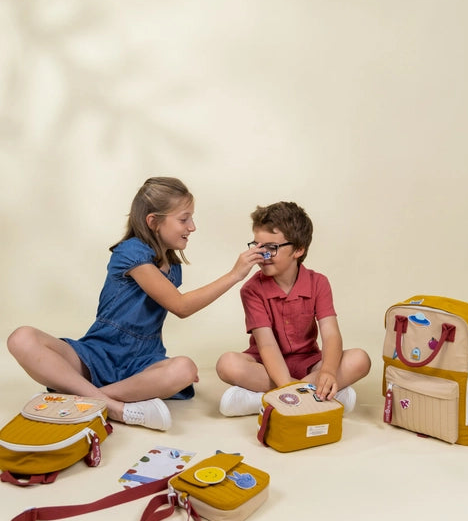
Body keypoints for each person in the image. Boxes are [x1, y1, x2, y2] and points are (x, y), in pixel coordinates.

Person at [8, 177, 264, 430]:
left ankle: (87, 400)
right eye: (184, 219)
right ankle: (114, 407)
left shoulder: (173, 267)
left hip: (141, 362)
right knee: (21, 338)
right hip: (98, 353)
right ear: (153, 222)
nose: (192, 227)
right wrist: (235, 275)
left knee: (185, 369)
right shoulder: (131, 252)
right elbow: (181, 306)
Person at [216, 201, 371, 416]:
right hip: (265, 364)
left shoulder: (319, 282)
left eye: (271, 248)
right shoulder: (251, 290)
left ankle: (267, 399)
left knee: (360, 359)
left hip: (309, 364)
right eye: (258, 247)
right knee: (227, 364)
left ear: (298, 249)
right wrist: (287, 384)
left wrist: (327, 371)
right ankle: (317, 396)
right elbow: (267, 345)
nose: (263, 255)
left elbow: (331, 334)